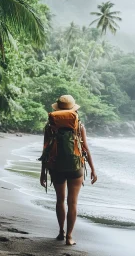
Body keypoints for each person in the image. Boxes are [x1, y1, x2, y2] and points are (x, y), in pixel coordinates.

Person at [40, 95, 97, 246]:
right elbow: (85, 148)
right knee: (72, 202)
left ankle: (61, 232)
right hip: (76, 167)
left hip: (56, 166)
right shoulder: (79, 125)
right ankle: (69, 237)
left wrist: (42, 173)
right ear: (73, 109)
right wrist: (92, 169)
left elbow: (45, 150)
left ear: (57, 109)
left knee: (60, 200)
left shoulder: (50, 126)